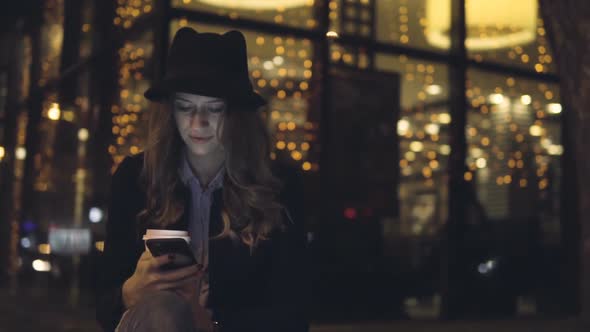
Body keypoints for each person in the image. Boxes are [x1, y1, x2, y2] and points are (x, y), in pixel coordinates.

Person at [95, 27, 309, 332]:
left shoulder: (279, 186)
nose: (198, 122)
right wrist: (129, 292)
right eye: (185, 107)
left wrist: (212, 324)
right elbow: (102, 305)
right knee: (163, 310)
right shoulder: (135, 178)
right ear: (170, 111)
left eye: (214, 108)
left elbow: (294, 315)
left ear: (235, 113)